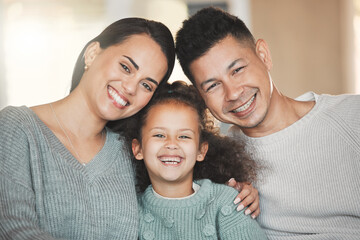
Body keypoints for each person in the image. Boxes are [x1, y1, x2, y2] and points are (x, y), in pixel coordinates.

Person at [175, 7, 360, 240]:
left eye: (238, 70)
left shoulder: (352, 117)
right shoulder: (213, 164)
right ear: (202, 97)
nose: (232, 93)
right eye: (213, 85)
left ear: (263, 55)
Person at [0, 17, 175, 239]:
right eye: (125, 67)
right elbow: (12, 228)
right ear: (92, 53)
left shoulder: (131, 152)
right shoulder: (17, 128)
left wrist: (230, 190)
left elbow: (178, 204)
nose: (131, 87)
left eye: (146, 85)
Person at [115, 80, 267, 239]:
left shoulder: (227, 202)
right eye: (159, 135)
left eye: (184, 136)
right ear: (138, 149)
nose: (172, 144)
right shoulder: (131, 213)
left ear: (201, 150)